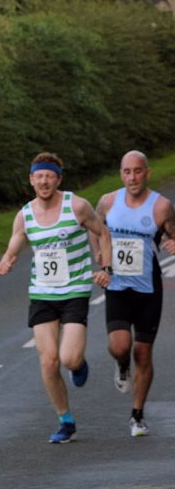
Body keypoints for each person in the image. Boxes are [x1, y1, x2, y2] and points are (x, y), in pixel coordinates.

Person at [0, 152, 112, 444]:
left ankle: (78, 365)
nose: (44, 181)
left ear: (58, 179)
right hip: (42, 292)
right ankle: (65, 420)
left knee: (68, 358)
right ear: (31, 180)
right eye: (39, 176)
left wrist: (105, 267)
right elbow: (17, 240)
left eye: (50, 176)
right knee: (48, 362)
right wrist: (8, 259)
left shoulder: (77, 206)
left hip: (74, 290)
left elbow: (103, 233)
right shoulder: (25, 214)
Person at [96, 151, 175, 438]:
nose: (132, 177)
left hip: (148, 287)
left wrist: (173, 244)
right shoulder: (108, 201)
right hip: (117, 286)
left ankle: (137, 415)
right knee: (119, 346)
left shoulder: (162, 206)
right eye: (127, 171)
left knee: (143, 352)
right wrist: (98, 252)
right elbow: (95, 227)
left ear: (147, 172)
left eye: (138, 171)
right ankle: (121, 365)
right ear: (121, 174)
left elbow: (173, 233)